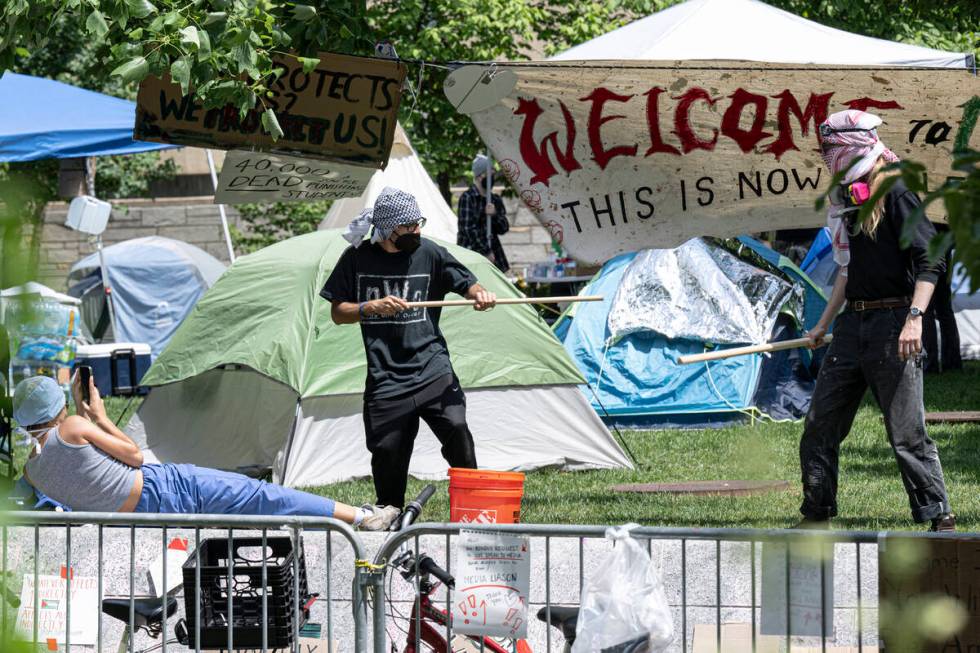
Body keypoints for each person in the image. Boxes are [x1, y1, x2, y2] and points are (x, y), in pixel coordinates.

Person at [799, 109, 954, 532]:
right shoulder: (850, 196)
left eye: (831, 149)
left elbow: (931, 258)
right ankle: (816, 515)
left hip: (894, 323)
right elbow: (848, 272)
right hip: (853, 325)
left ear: (852, 148)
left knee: (906, 435)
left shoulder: (898, 189)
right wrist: (823, 324)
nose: (827, 158)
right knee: (820, 425)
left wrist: (915, 320)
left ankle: (938, 516)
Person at [13, 374, 399, 529]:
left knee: (247, 513)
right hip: (162, 489)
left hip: (135, 517)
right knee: (260, 495)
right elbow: (132, 453)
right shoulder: (73, 426)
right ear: (56, 407)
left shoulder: (33, 470)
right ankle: (361, 516)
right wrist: (98, 415)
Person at [320, 187, 495, 508]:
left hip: (433, 370)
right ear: (388, 229)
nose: (417, 231)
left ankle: (474, 509)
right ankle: (391, 517)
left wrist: (479, 293)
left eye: (419, 223)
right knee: (387, 454)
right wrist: (370, 307)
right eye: (410, 226)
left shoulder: (430, 253)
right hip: (386, 379)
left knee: (457, 430)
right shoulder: (357, 258)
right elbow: (337, 312)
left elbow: (466, 282)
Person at [456, 154, 510, 272]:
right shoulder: (468, 198)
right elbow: (468, 229)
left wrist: (495, 215)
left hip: (494, 254)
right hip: (471, 254)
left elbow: (504, 228)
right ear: (480, 176)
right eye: (490, 173)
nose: (493, 177)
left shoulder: (495, 199)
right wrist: (486, 252)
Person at [921, 223, 962, 373]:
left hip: (929, 237)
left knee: (927, 308)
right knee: (943, 309)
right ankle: (952, 362)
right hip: (945, 235)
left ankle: (930, 363)